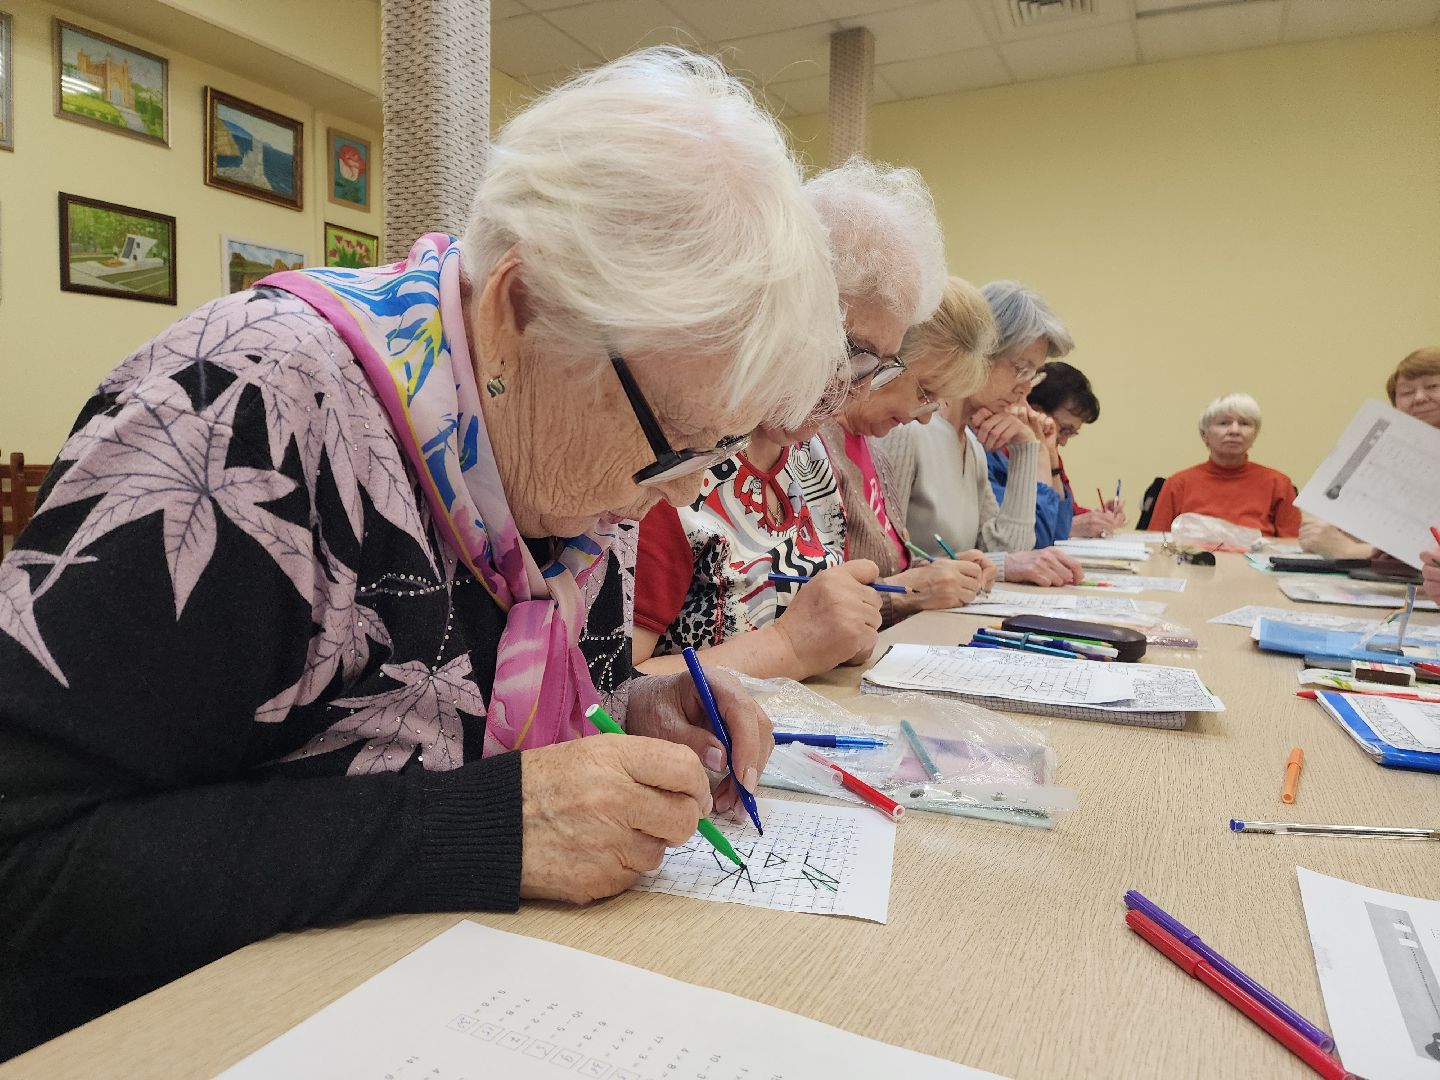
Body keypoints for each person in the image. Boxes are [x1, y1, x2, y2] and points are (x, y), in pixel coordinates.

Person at [0, 48, 847, 1058]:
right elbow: (30, 857)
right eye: (680, 444)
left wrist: (631, 705)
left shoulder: (574, 471)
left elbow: (458, 715)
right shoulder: (248, 414)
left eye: (719, 450)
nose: (688, 493)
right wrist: (490, 830)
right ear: (519, 310)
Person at [632, 159, 976, 682]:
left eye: (881, 366)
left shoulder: (810, 456)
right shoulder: (680, 459)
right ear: (775, 308)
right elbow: (609, 693)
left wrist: (848, 628)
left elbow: (827, 621)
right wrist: (790, 647)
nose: (857, 390)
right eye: (852, 352)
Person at [881, 279, 1084, 588]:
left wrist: (1026, 450)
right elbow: (884, 560)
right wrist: (1002, 565)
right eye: (1020, 369)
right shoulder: (909, 429)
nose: (1026, 388)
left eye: (1033, 374)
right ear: (981, 352)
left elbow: (1007, 549)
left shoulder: (972, 446)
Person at [1301, 347, 1440, 558]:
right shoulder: (1388, 461)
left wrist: (1348, 550)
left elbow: (1428, 555)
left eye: (1433, 386)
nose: (1419, 398)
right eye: (1407, 392)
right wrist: (1324, 534)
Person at [1146, 393, 1300, 537]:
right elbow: (1156, 543)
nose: (1234, 431)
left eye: (1244, 423)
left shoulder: (1279, 485)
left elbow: (1293, 547)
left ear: (1254, 435)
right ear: (1204, 434)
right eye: (1224, 423)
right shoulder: (1178, 484)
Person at [1025, 361, 1125, 539]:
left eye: (1071, 434)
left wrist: (1100, 518)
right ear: (1035, 411)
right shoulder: (1001, 451)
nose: (1063, 442)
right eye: (1064, 429)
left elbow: (1068, 511)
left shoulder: (1051, 453)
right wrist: (1068, 528)